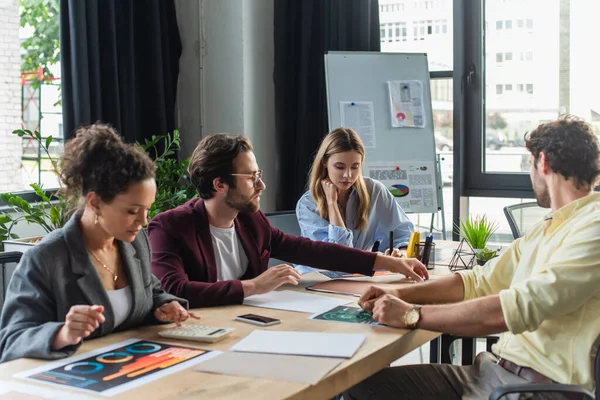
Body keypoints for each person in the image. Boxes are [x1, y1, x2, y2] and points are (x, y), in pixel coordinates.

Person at [345, 116, 600, 399]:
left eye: (528, 165)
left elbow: (514, 308)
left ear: (542, 162)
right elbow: (477, 282)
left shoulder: (594, 226)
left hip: (539, 389)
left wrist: (411, 314)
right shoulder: (547, 227)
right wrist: (398, 292)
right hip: (492, 373)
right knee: (363, 387)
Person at [148, 133, 428, 308]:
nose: (261, 185)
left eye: (259, 174)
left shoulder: (251, 221)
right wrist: (255, 286)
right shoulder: (170, 226)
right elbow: (174, 289)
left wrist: (390, 262)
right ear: (220, 184)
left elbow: (312, 251)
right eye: (251, 177)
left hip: (244, 328)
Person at [0, 123, 197, 363]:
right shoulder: (46, 258)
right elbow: (12, 340)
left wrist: (164, 306)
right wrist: (62, 333)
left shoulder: (133, 243)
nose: (143, 221)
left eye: (147, 209)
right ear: (95, 202)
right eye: (133, 211)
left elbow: (151, 291)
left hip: (130, 371)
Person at [296, 127, 413, 273]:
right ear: (324, 162)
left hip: (357, 277)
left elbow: (403, 232)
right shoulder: (307, 204)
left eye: (355, 167)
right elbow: (338, 257)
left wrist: (401, 252)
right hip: (317, 279)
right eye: (340, 167)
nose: (348, 175)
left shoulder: (375, 190)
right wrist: (332, 204)